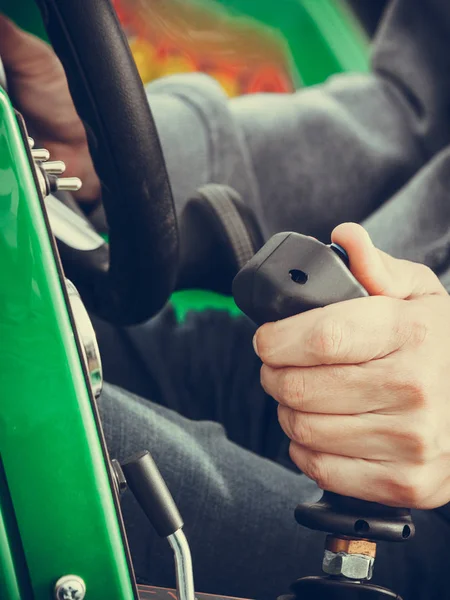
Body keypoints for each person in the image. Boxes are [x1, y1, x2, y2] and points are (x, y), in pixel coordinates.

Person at [1, 1, 450, 599]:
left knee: (27, 434)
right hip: (318, 353)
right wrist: (119, 148)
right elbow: (415, 107)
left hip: (425, 504)